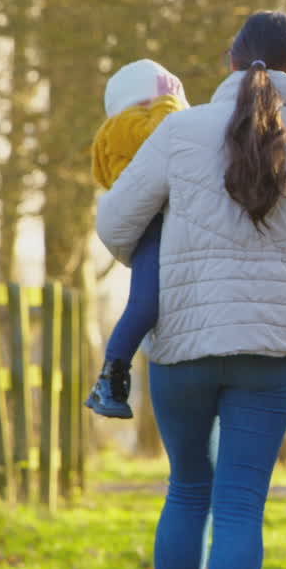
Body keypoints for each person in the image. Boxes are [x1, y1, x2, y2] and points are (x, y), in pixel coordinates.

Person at [96, 11, 286, 569]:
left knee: (187, 490)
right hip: (271, 350)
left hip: (183, 342)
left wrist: (169, 262)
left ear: (229, 62)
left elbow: (113, 225)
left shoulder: (180, 133)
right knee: (239, 506)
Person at [85, 59, 189, 419]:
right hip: (155, 223)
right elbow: (164, 143)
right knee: (145, 303)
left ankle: (113, 374)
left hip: (157, 220)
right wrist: (168, 104)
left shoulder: (124, 127)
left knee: (150, 301)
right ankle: (111, 376)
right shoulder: (130, 126)